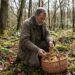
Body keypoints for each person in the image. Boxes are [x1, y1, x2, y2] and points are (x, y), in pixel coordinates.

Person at [15, 7, 54, 75]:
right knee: (36, 64)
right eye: (41, 18)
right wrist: (37, 50)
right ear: (36, 15)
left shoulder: (43, 24)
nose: (42, 21)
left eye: (44, 19)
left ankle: (42, 56)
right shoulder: (27, 23)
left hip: (38, 45)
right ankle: (26, 59)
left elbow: (47, 34)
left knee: (50, 43)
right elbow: (24, 41)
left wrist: (50, 41)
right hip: (28, 49)